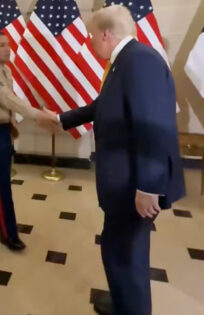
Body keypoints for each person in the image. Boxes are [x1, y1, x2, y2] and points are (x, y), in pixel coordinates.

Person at [43, 5, 185, 315]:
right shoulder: (123, 62)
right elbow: (103, 105)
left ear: (106, 34)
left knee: (128, 256)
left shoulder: (140, 61)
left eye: (91, 34)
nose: (89, 40)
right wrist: (60, 118)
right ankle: (123, 304)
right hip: (122, 184)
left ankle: (131, 308)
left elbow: (153, 127)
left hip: (136, 183)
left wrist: (149, 185)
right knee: (115, 248)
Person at [0, 31, 59, 251]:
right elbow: (7, 98)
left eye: (8, 44)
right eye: (1, 45)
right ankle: (8, 233)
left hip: (0, 128)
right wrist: (38, 115)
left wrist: (11, 122)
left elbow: (10, 102)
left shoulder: (5, 69)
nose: (7, 48)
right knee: (2, 181)